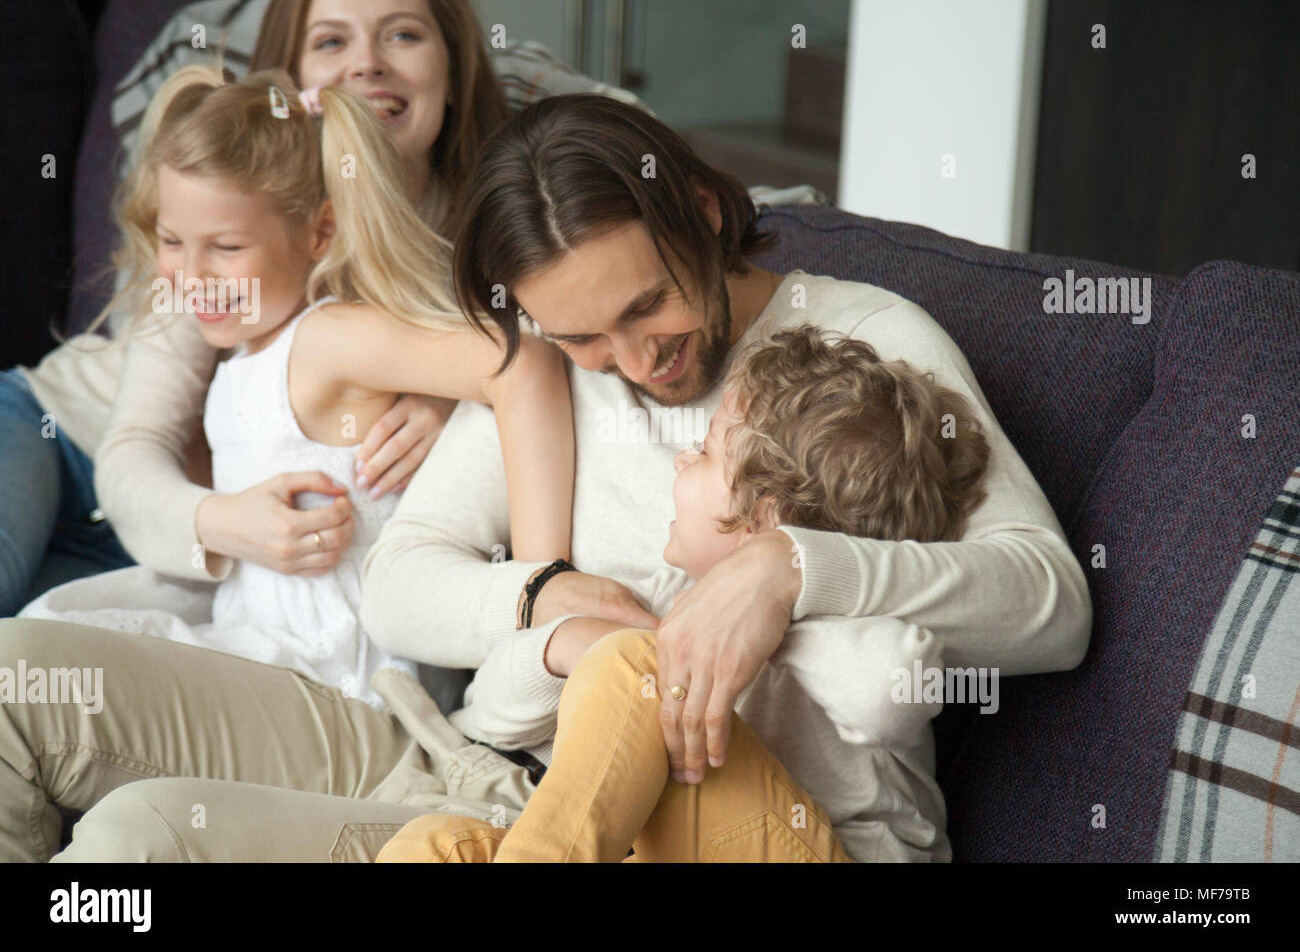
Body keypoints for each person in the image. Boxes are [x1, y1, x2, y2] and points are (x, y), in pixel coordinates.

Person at [0, 94, 1088, 863]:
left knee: (138, 842)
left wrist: (786, 567)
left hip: (641, 820)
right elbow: (401, 582)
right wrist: (543, 601)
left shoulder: (865, 343)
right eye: (581, 337)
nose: (633, 362)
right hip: (460, 753)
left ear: (703, 216)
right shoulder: (553, 356)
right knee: (14, 677)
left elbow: (1050, 601)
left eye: (646, 306)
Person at [1, 0, 639, 615]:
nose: (366, 64)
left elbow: (634, 160)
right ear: (295, 80)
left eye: (403, 35)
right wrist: (223, 521)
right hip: (66, 438)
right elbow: (132, 449)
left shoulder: (499, 227)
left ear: (455, 73)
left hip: (197, 563)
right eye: (331, 41)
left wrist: (457, 398)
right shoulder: (234, 202)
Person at [377, 325, 990, 861]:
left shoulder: (846, 617)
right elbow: (492, 714)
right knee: (431, 847)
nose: (680, 462)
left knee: (634, 670)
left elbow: (890, 688)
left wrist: (777, 623)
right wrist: (563, 646)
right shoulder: (672, 594)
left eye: (703, 452)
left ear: (766, 518)